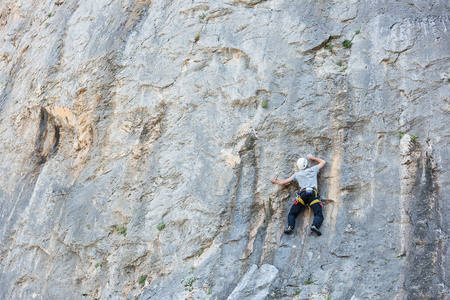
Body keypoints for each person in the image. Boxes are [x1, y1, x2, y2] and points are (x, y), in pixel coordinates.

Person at [270, 154, 326, 235]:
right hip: (313, 194)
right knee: (318, 214)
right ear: (307, 164)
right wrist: (312, 158)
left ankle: (290, 227)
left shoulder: (297, 174)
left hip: (302, 195)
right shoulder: (313, 169)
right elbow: (323, 162)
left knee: (292, 213)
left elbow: (284, 181)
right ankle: (315, 226)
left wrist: (275, 181)